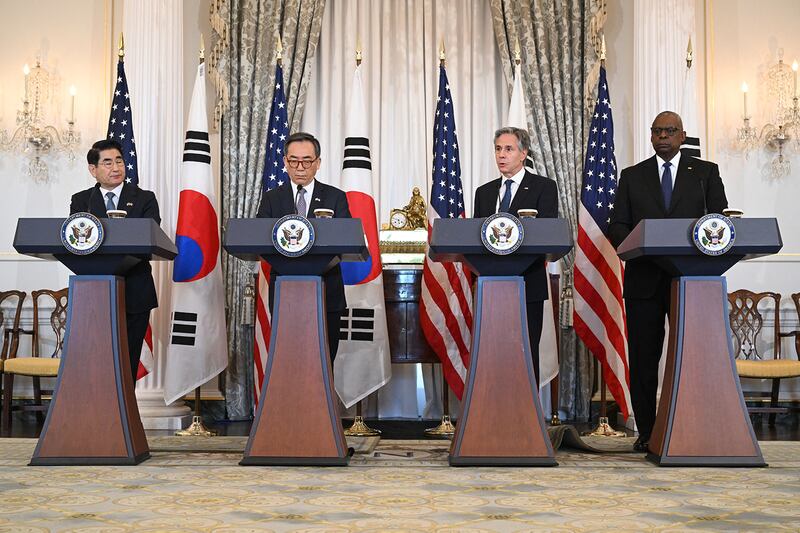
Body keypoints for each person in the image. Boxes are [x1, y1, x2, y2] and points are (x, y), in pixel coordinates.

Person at [609, 111, 728, 452]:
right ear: (651, 136)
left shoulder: (705, 173)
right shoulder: (633, 176)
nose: (663, 136)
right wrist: (641, 240)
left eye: (670, 131)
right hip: (644, 279)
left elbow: (718, 219)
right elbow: (617, 225)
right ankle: (647, 431)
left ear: (682, 135)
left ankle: (695, 425)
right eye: (658, 131)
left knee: (693, 356)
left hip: (690, 280)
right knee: (645, 359)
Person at [70, 139, 161, 383]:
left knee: (128, 360)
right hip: (93, 294)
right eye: (107, 162)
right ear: (93, 169)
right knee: (95, 359)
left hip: (135, 290)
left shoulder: (144, 198)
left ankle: (125, 416)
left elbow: (151, 237)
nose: (115, 167)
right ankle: (97, 413)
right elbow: (76, 242)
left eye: (119, 161)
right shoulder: (81, 201)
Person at [473, 127, 559, 384]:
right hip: (491, 286)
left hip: (527, 283)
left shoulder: (543, 187)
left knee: (525, 353)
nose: (501, 155)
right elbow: (477, 238)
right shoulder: (484, 192)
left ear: (523, 153)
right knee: (493, 356)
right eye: (498, 149)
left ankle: (526, 419)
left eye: (508, 149)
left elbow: (545, 234)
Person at [256, 131, 351, 361]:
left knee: (324, 364)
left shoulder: (335, 197)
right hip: (284, 294)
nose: (300, 167)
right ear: (285, 162)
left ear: (317, 163)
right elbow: (258, 238)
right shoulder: (272, 198)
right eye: (293, 160)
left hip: (327, 293)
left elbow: (347, 240)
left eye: (307, 160)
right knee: (287, 363)